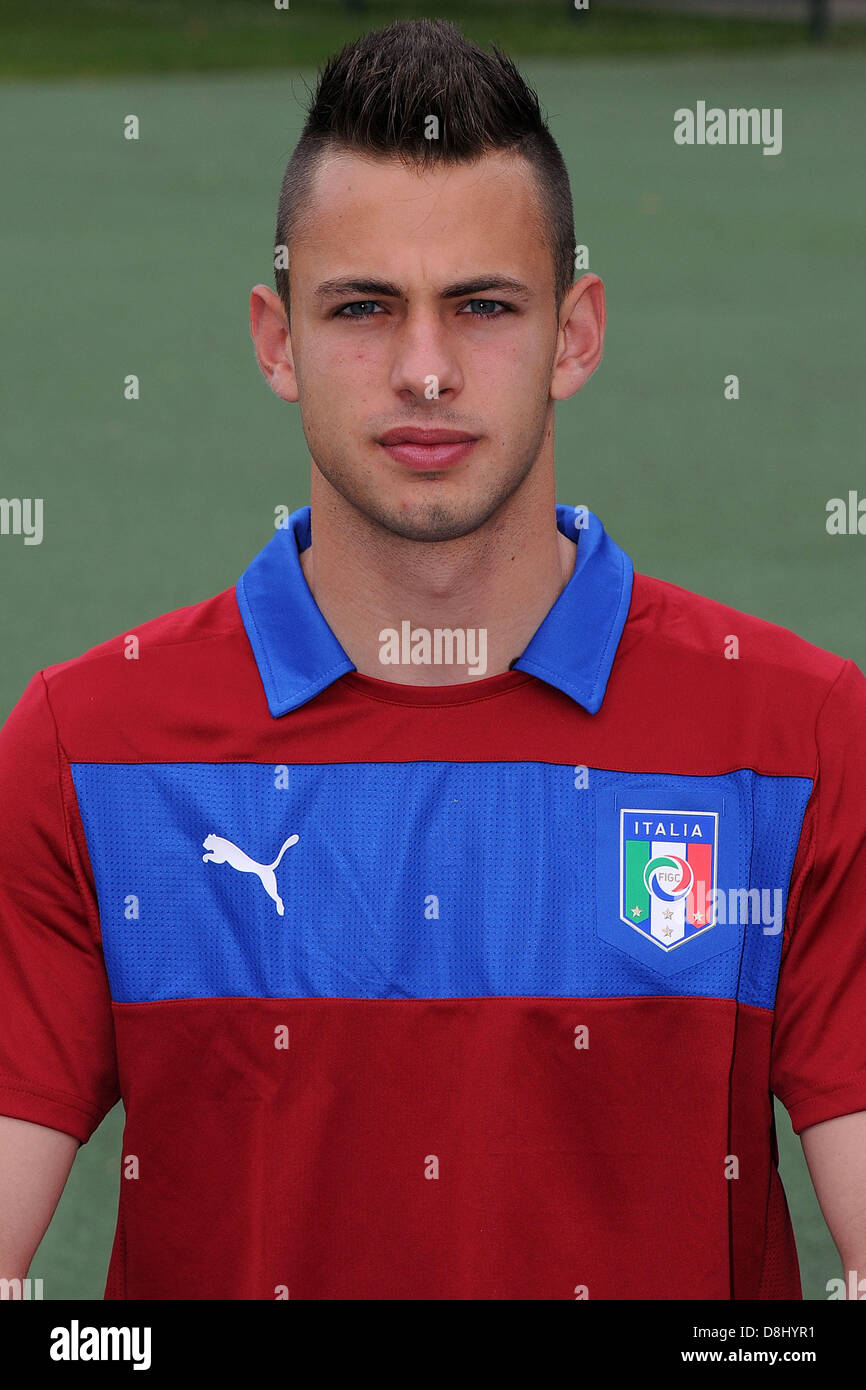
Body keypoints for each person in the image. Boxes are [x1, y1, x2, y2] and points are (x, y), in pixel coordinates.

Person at [1, 18, 864, 1301]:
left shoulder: (795, 734)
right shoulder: (85, 745)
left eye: (481, 306)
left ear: (573, 334)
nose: (423, 370)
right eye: (362, 308)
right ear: (276, 338)